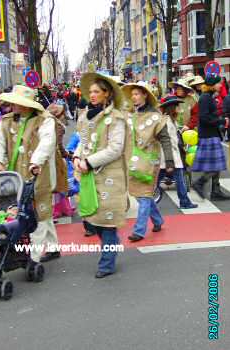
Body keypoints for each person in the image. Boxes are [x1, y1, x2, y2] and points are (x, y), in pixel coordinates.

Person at [0, 85, 60, 264]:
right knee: (40, 213)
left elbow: (47, 142)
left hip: (39, 173)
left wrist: (36, 161)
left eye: (17, 103)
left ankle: (34, 257)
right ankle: (53, 247)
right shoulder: (6, 120)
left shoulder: (44, 120)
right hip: (15, 175)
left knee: (39, 213)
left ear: (27, 105)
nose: (12, 106)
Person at [74, 73, 127, 278]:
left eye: (97, 92)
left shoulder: (116, 119)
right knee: (94, 220)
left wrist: (88, 161)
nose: (92, 95)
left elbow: (115, 148)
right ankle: (112, 245)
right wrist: (77, 157)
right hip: (88, 176)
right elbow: (82, 141)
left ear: (107, 94)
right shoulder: (87, 116)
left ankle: (107, 264)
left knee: (107, 222)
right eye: (91, 92)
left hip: (110, 177)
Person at [121, 81, 174, 242]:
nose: (134, 97)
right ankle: (157, 220)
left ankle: (139, 230)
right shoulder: (131, 115)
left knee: (144, 195)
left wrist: (170, 161)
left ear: (145, 95)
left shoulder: (157, 118)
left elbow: (165, 140)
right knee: (140, 195)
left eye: (137, 94)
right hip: (132, 160)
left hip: (150, 161)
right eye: (132, 94)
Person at [192, 75, 230, 201]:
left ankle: (216, 191)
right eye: (219, 83)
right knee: (216, 166)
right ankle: (200, 183)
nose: (221, 85)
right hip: (208, 135)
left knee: (217, 164)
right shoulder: (205, 98)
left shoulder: (209, 97)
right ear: (213, 85)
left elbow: (208, 115)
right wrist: (220, 120)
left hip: (211, 134)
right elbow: (204, 117)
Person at [159, 95, 198, 209]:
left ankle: (184, 201)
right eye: (177, 106)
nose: (179, 109)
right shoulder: (166, 121)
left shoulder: (171, 120)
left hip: (172, 155)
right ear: (171, 108)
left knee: (178, 179)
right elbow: (168, 141)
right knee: (160, 181)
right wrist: (170, 160)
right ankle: (184, 202)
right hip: (169, 156)